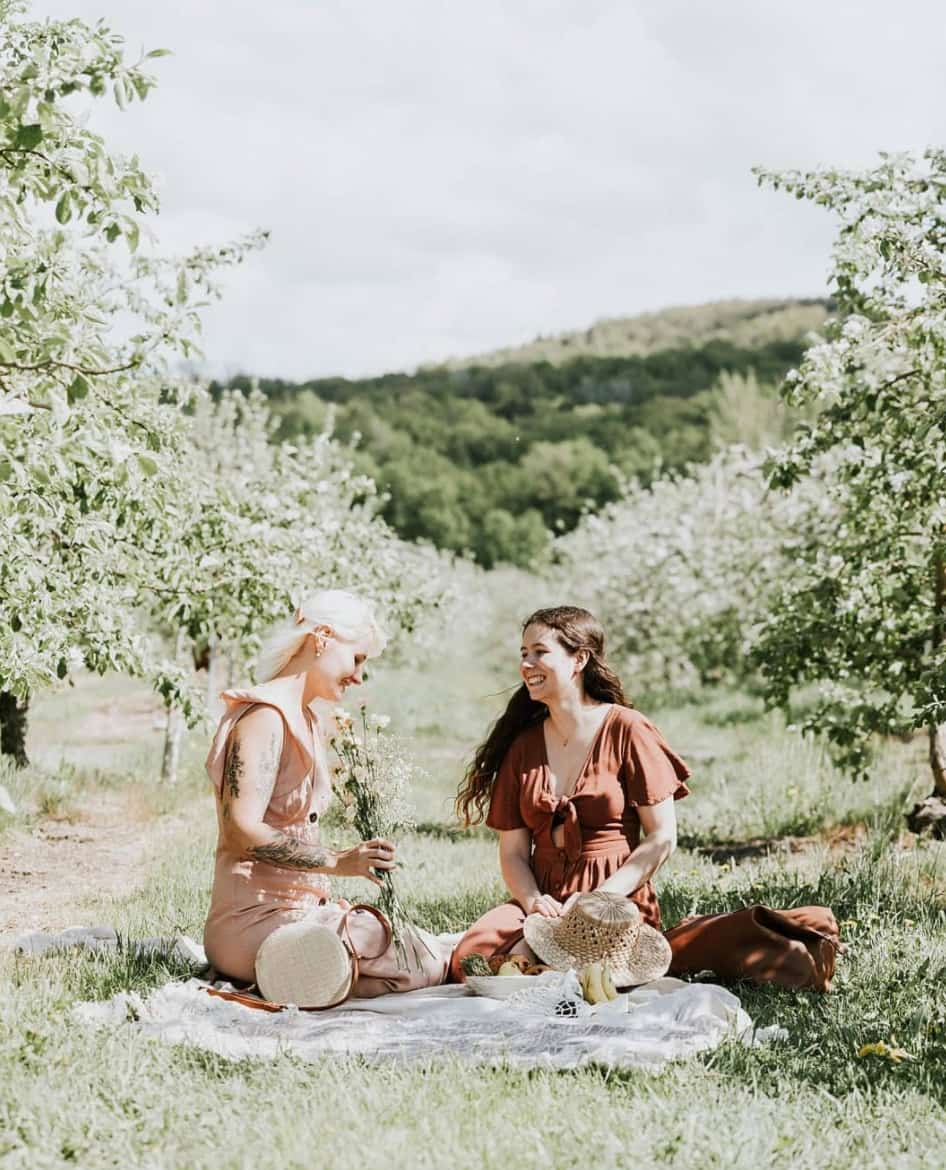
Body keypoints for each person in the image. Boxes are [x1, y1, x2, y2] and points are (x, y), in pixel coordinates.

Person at [203, 589, 450, 1004]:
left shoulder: (308, 718)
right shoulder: (265, 716)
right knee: (418, 961)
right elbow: (240, 830)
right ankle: (296, 967)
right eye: (357, 659)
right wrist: (338, 862)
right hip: (252, 923)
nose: (359, 676)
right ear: (322, 638)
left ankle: (312, 974)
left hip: (298, 915)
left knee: (421, 958)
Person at [450, 605, 690, 981]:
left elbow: (662, 837)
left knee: (568, 973)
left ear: (579, 660)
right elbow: (513, 852)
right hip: (544, 900)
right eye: (523, 654)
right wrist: (532, 902)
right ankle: (533, 957)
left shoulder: (627, 729)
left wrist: (600, 899)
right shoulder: (523, 746)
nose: (526, 664)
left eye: (540, 652)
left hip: (612, 900)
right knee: (472, 961)